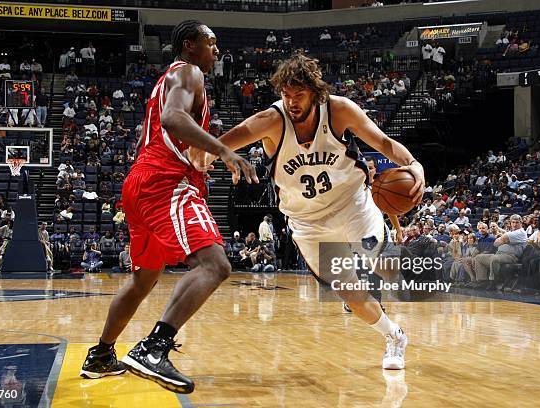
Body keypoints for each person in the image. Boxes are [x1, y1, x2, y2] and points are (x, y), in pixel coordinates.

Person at [190, 53, 424, 370]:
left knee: (378, 260)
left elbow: (383, 143)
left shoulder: (340, 110)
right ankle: (395, 336)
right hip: (308, 222)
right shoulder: (272, 120)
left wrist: (413, 164)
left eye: (298, 95)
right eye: (286, 95)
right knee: (350, 294)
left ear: (315, 93)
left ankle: (400, 274)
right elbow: (225, 142)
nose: (291, 103)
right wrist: (211, 155)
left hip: (351, 203)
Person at [80, 20, 256, 394]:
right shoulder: (189, 72)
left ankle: (101, 356)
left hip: (141, 182)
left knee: (143, 279)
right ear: (190, 45)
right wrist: (224, 149)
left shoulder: (170, 79)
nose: (217, 51)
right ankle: (154, 348)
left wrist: (203, 154)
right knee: (215, 265)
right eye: (211, 42)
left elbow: (175, 131)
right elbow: (172, 119)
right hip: (165, 182)